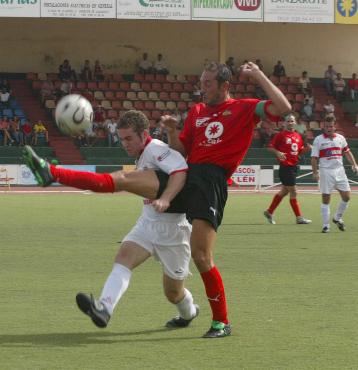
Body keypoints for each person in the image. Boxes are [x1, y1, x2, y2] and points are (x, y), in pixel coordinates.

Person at [23, 61, 291, 338]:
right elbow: (183, 151)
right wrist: (175, 131)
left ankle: (220, 321)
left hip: (209, 182)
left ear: (225, 86)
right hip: (188, 178)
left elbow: (283, 109)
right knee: (122, 184)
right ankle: (51, 172)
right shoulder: (197, 111)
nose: (202, 88)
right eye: (201, 81)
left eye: (208, 83)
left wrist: (258, 74)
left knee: (199, 258)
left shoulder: (244, 107)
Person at [75, 110, 199, 330]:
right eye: (122, 139)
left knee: (173, 293)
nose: (125, 143)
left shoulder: (155, 149)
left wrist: (166, 199)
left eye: (129, 138)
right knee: (123, 257)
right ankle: (104, 308)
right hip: (148, 224)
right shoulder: (144, 154)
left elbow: (180, 171)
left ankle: (189, 312)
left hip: (173, 229)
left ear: (144, 134)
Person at [311, 115, 358, 233]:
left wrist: (354, 164)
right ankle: (326, 225)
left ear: (334, 126)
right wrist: (315, 172)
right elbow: (314, 158)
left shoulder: (340, 138)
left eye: (331, 126)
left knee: (346, 197)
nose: (329, 128)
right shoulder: (318, 139)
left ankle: (337, 218)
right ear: (323, 127)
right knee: (326, 198)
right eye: (327, 126)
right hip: (326, 171)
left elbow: (347, 152)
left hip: (340, 170)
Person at [264, 114, 311, 225]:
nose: (290, 123)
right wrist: (278, 152)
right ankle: (299, 218)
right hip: (285, 167)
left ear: (295, 122)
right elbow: (270, 147)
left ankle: (269, 211)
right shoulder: (280, 135)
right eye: (288, 121)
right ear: (285, 123)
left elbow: (298, 152)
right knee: (294, 191)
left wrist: (307, 149)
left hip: (293, 167)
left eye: (292, 121)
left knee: (284, 192)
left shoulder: (298, 136)